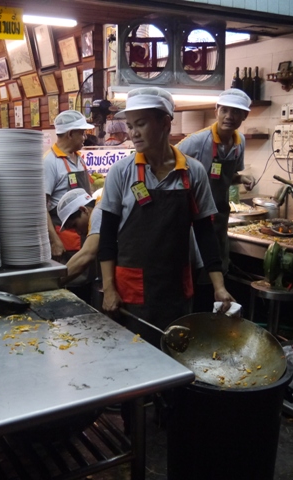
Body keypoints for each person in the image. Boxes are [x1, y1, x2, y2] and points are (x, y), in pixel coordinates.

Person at [98, 87, 234, 346]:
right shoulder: (121, 172)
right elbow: (107, 236)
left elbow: (205, 233)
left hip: (176, 287)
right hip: (131, 291)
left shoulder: (193, 172)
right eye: (129, 126)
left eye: (141, 124)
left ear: (165, 122)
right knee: (135, 360)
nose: (133, 133)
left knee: (176, 354)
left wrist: (219, 285)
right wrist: (109, 288)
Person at [176, 88, 255, 312]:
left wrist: (241, 178)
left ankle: (211, 326)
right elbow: (169, 164)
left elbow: (224, 177)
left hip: (220, 219)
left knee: (217, 277)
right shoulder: (197, 142)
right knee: (194, 278)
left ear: (244, 116)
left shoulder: (239, 143)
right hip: (195, 222)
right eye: (225, 110)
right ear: (216, 111)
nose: (229, 116)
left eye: (236, 112)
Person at [44, 110, 94, 263]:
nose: (85, 137)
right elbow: (40, 206)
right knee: (71, 281)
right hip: (65, 237)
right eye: (82, 133)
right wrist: (54, 241)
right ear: (70, 134)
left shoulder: (78, 157)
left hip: (85, 231)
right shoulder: (49, 162)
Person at [57, 188, 102, 285]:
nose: (78, 232)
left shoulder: (98, 213)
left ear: (83, 210)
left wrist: (54, 282)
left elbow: (86, 255)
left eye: (75, 225)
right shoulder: (99, 206)